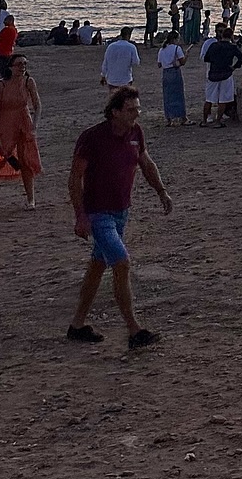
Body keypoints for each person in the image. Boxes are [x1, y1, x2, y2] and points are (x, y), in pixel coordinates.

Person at [65, 88, 172, 349]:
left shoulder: (136, 133)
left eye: (137, 109)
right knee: (121, 263)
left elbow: (146, 163)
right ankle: (134, 329)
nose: (136, 113)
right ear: (115, 112)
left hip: (121, 211)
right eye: (131, 109)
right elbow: (75, 178)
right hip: (98, 212)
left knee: (98, 266)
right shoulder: (92, 138)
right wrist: (80, 216)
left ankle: (77, 325)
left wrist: (161, 192)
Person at [0, 52, 42, 213]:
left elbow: (37, 105)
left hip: (24, 121)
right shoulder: (1, 85)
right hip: (6, 124)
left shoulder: (28, 81)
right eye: (19, 64)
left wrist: (34, 126)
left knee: (26, 161)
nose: (22, 67)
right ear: (11, 67)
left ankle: (31, 200)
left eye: (24, 64)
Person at [199, 23, 242, 126]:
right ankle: (218, 121)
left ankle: (204, 121)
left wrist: (215, 61)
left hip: (213, 73)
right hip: (226, 73)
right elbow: (241, 58)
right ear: (231, 36)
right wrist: (234, 66)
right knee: (223, 99)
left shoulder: (214, 45)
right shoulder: (232, 47)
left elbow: (206, 58)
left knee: (209, 99)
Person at [157, 34, 187, 124]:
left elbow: (159, 64)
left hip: (166, 72)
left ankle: (169, 118)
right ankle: (182, 117)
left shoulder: (162, 49)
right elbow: (182, 62)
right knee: (179, 94)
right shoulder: (177, 48)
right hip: (174, 71)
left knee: (167, 95)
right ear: (174, 39)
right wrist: (187, 56)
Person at [100, 26, 140, 91]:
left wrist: (103, 75)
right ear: (128, 35)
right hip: (125, 79)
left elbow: (105, 63)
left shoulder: (111, 46)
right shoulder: (131, 47)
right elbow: (136, 62)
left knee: (114, 99)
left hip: (112, 79)